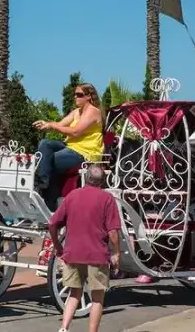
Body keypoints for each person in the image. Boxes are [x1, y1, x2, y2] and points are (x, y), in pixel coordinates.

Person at [49, 163, 120, 332]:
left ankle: (64, 328)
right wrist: (117, 253)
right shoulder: (107, 199)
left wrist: (58, 246)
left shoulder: (72, 196)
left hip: (73, 253)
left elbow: (52, 224)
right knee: (97, 298)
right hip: (97, 255)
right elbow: (112, 232)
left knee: (74, 293)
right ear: (102, 181)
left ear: (85, 178)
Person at [34, 83, 104, 208]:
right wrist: (46, 124)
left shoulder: (93, 111)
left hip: (85, 153)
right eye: (75, 94)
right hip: (70, 147)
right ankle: (43, 182)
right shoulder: (76, 112)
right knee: (45, 144)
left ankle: (44, 190)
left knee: (49, 160)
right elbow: (60, 124)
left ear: (88, 96)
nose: (75, 97)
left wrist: (52, 125)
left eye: (79, 95)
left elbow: (75, 132)